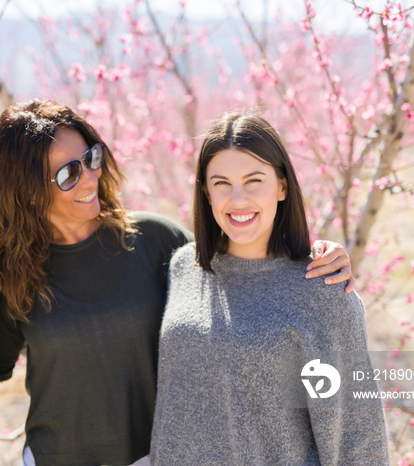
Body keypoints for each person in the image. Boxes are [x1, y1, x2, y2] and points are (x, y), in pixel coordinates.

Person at [0, 99, 356, 466]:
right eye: (69, 173)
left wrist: (314, 257)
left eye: (91, 158)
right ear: (26, 188)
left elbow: (247, 265)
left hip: (158, 454)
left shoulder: (155, 240)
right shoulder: (13, 272)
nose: (91, 176)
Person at [150, 112, 390, 465]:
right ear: (205, 191)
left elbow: (357, 435)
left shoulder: (322, 289)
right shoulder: (185, 267)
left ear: (282, 186)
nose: (238, 200)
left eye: (254, 181)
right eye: (221, 183)